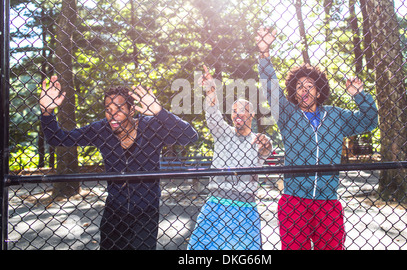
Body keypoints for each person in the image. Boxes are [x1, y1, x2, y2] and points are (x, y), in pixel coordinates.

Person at [39, 76, 198, 250]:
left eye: (119, 108)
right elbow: (59, 139)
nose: (112, 114)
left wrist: (160, 112)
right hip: (114, 212)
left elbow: (190, 137)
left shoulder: (153, 127)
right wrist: (47, 112)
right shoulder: (101, 130)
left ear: (131, 110)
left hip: (146, 212)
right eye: (108, 109)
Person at [255, 27, 378, 250]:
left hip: (328, 202)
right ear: (294, 93)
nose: (305, 90)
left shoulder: (336, 116)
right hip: (294, 201)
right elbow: (271, 88)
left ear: (319, 92)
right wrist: (264, 53)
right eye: (299, 87)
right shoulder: (287, 115)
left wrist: (359, 95)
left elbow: (369, 120)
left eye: (310, 86)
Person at [187, 65, 272, 250]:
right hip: (216, 204)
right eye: (234, 110)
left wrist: (265, 146)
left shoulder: (258, 140)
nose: (238, 114)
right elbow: (212, 115)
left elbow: (266, 150)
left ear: (252, 114)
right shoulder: (224, 133)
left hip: (245, 207)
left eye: (242, 110)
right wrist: (210, 91)